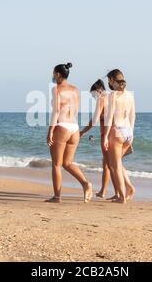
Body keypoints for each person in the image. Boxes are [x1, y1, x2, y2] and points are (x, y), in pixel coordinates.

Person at [46, 63, 93, 203]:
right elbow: (76, 109)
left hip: (62, 126)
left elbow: (56, 111)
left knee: (56, 164)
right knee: (67, 163)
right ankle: (85, 183)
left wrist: (50, 130)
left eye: (54, 73)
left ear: (58, 74)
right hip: (74, 128)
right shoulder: (75, 89)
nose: (53, 76)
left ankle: (57, 196)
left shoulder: (56, 89)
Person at [80, 79, 118, 199]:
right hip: (117, 133)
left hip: (106, 135)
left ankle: (118, 193)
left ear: (99, 90)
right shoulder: (113, 97)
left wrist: (83, 132)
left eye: (93, 94)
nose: (94, 97)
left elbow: (95, 120)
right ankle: (103, 191)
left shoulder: (102, 98)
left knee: (111, 165)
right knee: (107, 164)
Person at [103, 69, 136, 203]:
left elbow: (110, 117)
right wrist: (132, 133)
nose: (108, 83)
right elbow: (133, 115)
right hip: (128, 131)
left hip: (117, 130)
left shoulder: (113, 95)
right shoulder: (130, 95)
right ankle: (129, 188)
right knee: (118, 163)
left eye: (109, 81)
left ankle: (122, 197)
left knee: (115, 166)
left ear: (112, 80)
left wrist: (105, 136)